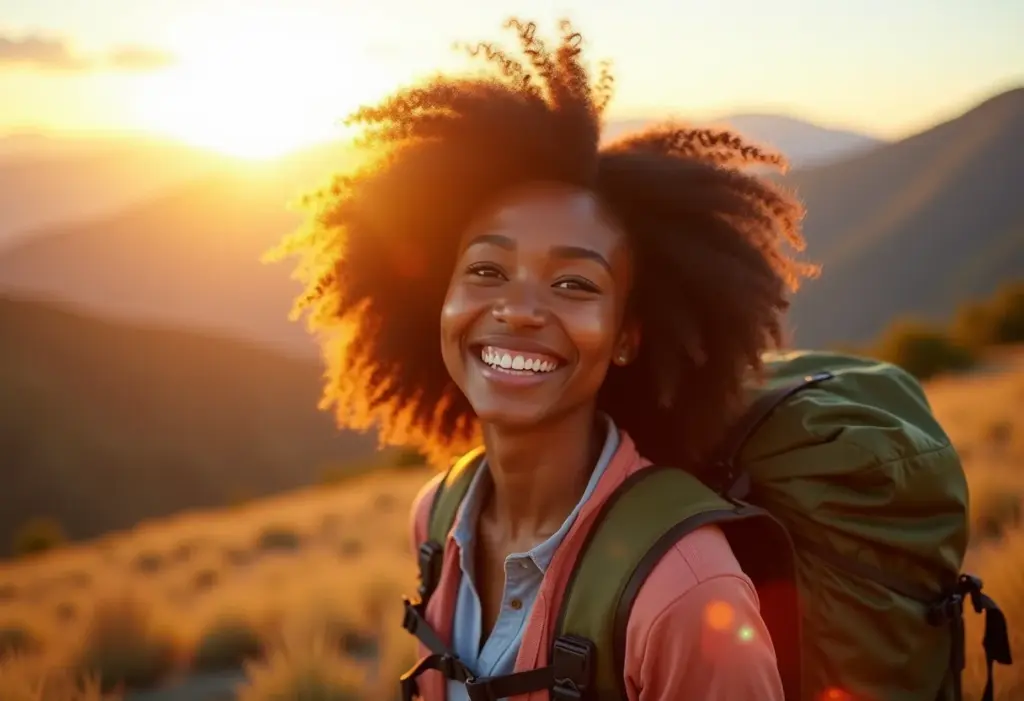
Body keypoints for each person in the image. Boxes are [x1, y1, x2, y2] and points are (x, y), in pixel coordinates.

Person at [271, 17, 820, 701]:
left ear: (628, 335)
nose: (520, 309)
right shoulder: (438, 519)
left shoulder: (683, 591)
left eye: (573, 283)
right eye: (487, 271)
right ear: (436, 300)